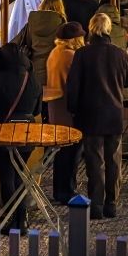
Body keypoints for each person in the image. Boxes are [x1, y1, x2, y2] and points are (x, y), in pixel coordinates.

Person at [65, 13, 128, 218]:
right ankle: (111, 204)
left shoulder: (82, 54)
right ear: (108, 29)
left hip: (89, 114)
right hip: (113, 113)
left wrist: (73, 109)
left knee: (94, 160)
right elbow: (127, 81)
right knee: (113, 159)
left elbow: (73, 86)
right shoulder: (120, 54)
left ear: (91, 28)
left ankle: (95, 206)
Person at [0, 43, 41, 232]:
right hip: (28, 135)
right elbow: (38, 110)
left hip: (4, 134)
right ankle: (22, 220)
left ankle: (10, 219)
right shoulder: (33, 78)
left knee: (7, 175)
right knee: (21, 175)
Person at [45, 22, 85, 203]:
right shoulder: (72, 56)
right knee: (72, 153)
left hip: (55, 108)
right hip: (69, 111)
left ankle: (59, 189)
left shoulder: (54, 53)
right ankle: (66, 191)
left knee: (61, 153)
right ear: (75, 39)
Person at [11, 0, 66, 93]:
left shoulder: (31, 24)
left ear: (43, 4)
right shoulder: (62, 25)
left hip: (33, 74)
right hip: (54, 74)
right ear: (60, 7)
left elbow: (14, 43)